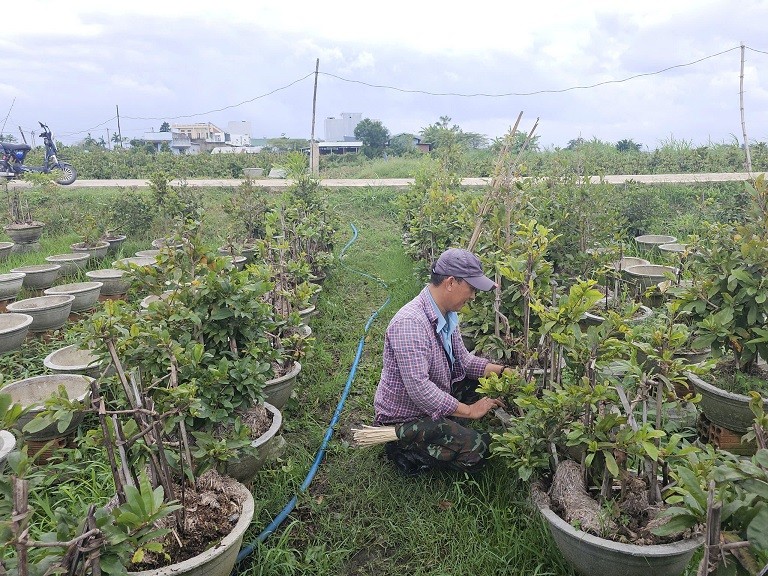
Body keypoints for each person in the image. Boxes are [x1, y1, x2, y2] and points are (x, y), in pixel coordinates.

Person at [373, 247, 507, 476]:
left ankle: (448, 425)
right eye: (472, 288)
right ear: (451, 282)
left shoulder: (446, 314)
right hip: (409, 417)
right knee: (480, 448)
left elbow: (464, 361)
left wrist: (503, 372)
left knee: (485, 383)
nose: (473, 296)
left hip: (432, 398)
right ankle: (406, 450)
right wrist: (469, 411)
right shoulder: (410, 324)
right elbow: (420, 390)